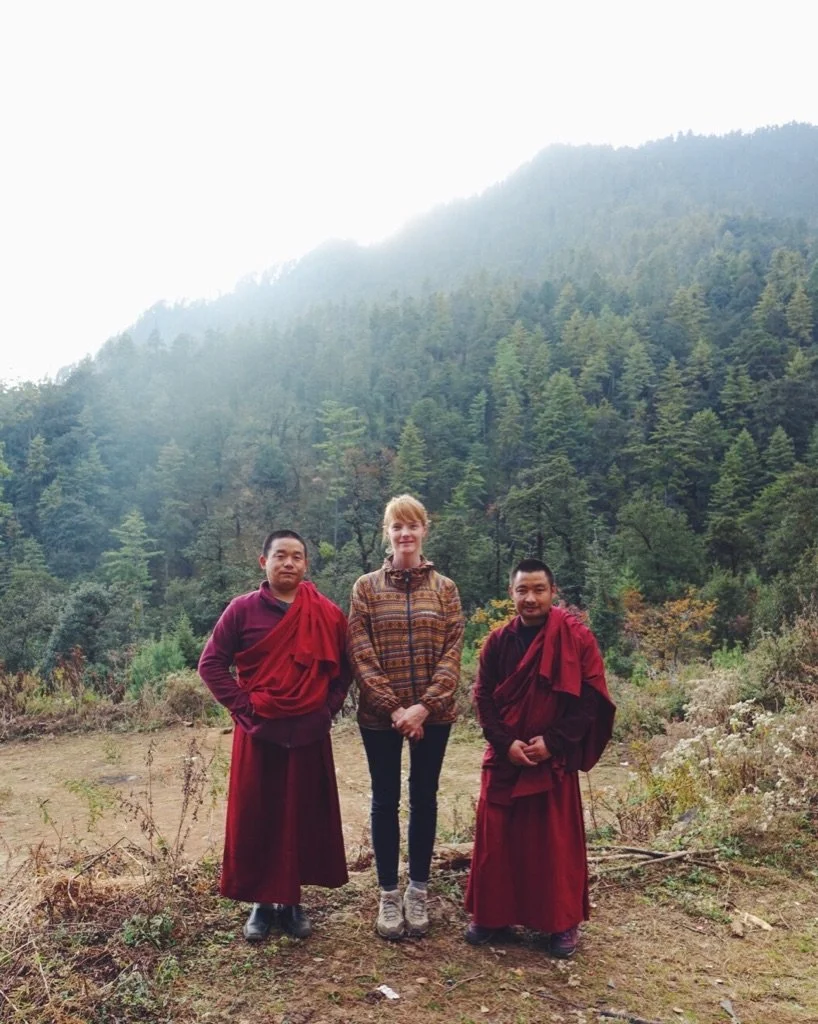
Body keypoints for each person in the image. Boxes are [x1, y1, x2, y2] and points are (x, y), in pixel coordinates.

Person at [198, 530, 350, 942]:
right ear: (262, 561)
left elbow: (344, 671)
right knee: (258, 815)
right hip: (259, 731)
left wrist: (326, 710)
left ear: (306, 565)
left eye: (297, 556)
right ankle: (262, 904)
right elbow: (211, 664)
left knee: (302, 814)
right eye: (280, 555)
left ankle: (293, 901)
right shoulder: (242, 610)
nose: (288, 563)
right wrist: (243, 707)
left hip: (308, 732)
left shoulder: (328, 613)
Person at [464, 558, 615, 958]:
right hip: (506, 756)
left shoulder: (576, 638)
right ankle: (491, 916)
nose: (530, 598)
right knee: (497, 840)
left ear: (553, 592)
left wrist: (554, 742)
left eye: (538, 590)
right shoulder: (497, 642)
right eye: (522, 591)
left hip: (553, 757)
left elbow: (589, 701)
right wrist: (504, 744)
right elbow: (483, 697)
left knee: (554, 844)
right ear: (511, 593)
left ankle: (561, 923)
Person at [348, 494, 464, 940]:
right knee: (384, 800)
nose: (405, 534)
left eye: (412, 525)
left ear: (424, 530)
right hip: (380, 717)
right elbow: (360, 651)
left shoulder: (446, 590)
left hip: (433, 716)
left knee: (424, 798)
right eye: (397, 526)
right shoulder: (365, 588)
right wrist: (394, 707)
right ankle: (388, 894)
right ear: (387, 532)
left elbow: (453, 652)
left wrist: (423, 706)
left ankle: (418, 889)